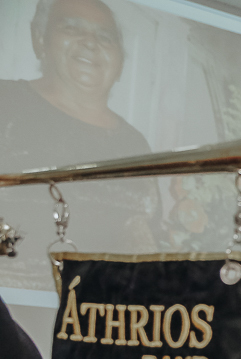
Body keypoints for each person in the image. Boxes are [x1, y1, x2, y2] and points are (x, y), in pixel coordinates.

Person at [0, 0, 159, 292]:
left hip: (101, 311)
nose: (90, 43)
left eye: (105, 37)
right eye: (72, 29)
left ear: (120, 60)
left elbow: (145, 234)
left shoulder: (135, 142)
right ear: (40, 39)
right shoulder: (5, 101)